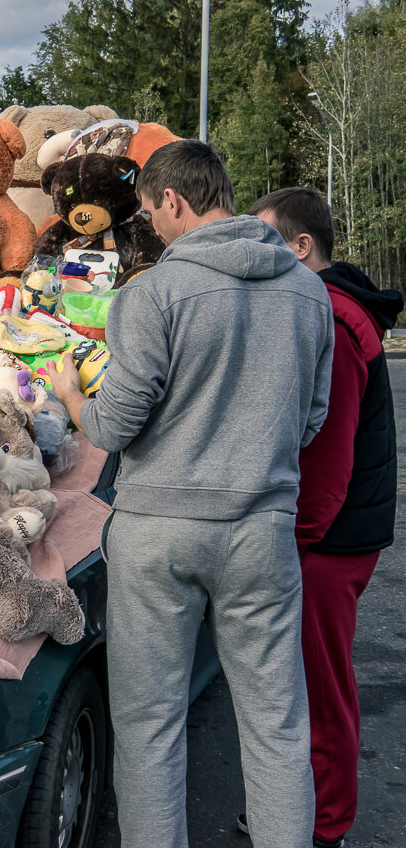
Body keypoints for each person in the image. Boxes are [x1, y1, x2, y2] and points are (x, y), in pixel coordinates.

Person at [50, 140, 334, 848]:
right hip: (262, 529)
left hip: (158, 533)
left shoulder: (154, 293)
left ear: (172, 202)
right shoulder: (308, 292)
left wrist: (69, 398)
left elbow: (116, 423)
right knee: (276, 724)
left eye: (148, 213)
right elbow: (312, 419)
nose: (149, 224)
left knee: (149, 723)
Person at [247, 187, 402, 848]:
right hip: (331, 532)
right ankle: (294, 810)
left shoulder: (332, 318)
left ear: (301, 247)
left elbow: (330, 455)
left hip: (330, 540)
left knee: (319, 686)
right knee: (296, 685)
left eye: (266, 242)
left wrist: (294, 542)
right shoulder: (329, 307)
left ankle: (326, 824)